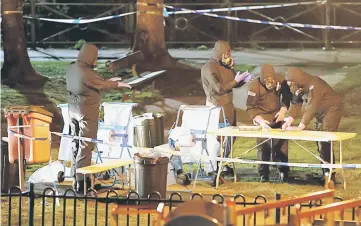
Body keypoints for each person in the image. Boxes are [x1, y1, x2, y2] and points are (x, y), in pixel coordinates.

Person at [66, 43, 131, 193]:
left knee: (76, 143)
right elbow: (99, 84)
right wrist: (119, 83)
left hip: (73, 111)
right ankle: (82, 183)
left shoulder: (72, 68)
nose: (96, 59)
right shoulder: (86, 72)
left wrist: (109, 81)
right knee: (86, 145)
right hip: (87, 112)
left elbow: (95, 81)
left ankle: (75, 177)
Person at [201, 40, 251, 186]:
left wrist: (242, 80)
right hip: (216, 108)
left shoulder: (226, 67)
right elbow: (219, 88)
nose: (229, 55)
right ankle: (212, 167)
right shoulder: (209, 68)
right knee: (216, 140)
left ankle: (223, 162)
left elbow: (233, 83)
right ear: (221, 53)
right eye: (227, 52)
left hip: (229, 106)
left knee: (230, 138)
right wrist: (236, 81)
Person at [282, 67, 344, 182]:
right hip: (320, 112)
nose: (291, 86)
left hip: (332, 109)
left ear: (297, 80)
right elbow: (296, 103)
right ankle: (325, 173)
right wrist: (289, 120)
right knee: (319, 141)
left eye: (292, 83)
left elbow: (312, 107)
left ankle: (330, 176)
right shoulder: (299, 86)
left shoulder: (314, 84)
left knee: (325, 140)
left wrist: (301, 126)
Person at [246, 64, 292, 183]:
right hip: (262, 117)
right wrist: (260, 120)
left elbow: (288, 98)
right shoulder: (254, 86)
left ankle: (283, 170)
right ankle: (264, 173)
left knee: (282, 144)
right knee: (263, 146)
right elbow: (250, 107)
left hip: (277, 115)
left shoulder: (281, 81)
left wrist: (283, 110)